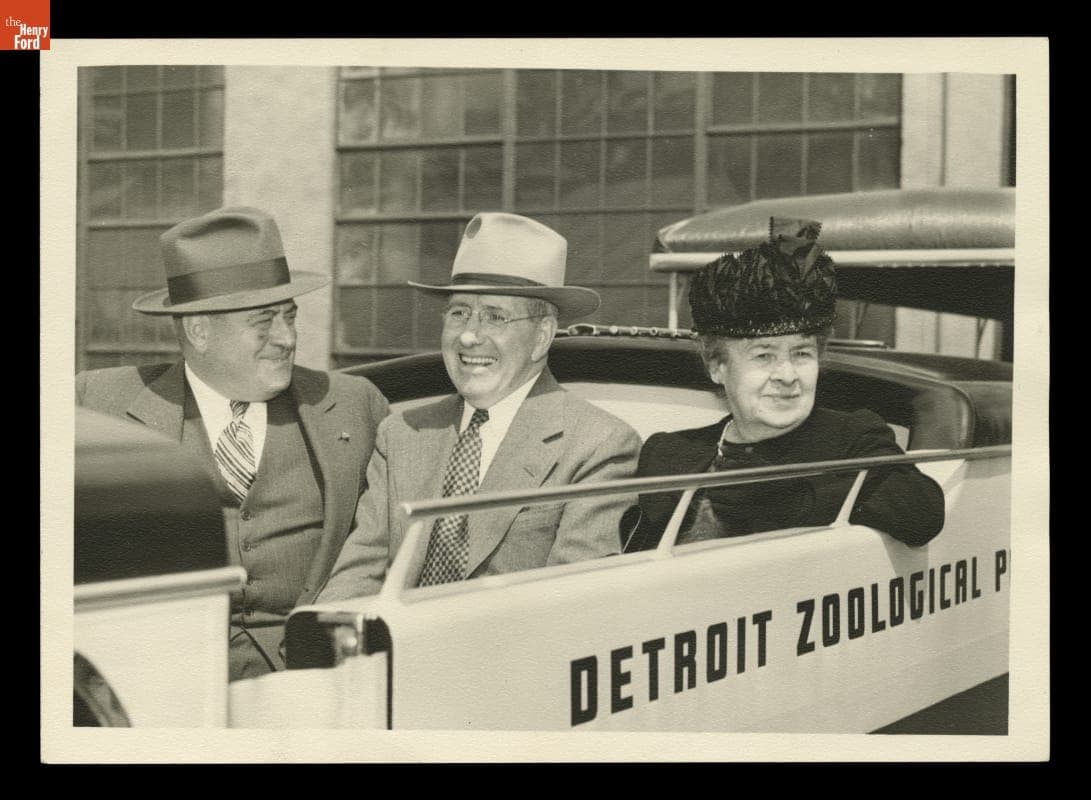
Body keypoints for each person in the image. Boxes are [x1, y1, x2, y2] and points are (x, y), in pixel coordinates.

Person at [76, 206, 389, 680]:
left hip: (309, 676)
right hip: (160, 680)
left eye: (290, 316)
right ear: (199, 331)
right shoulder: (95, 404)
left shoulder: (353, 405)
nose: (287, 338)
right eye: (263, 323)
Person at [317, 212, 641, 601]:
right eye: (458, 313)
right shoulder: (402, 433)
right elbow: (359, 571)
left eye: (494, 317)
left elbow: (568, 606)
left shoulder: (598, 445)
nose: (469, 336)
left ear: (542, 337)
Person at [626, 218, 945, 552]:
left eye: (802, 354)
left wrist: (792, 498)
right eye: (763, 356)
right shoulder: (669, 453)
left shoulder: (851, 438)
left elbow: (922, 513)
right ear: (718, 368)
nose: (788, 375)